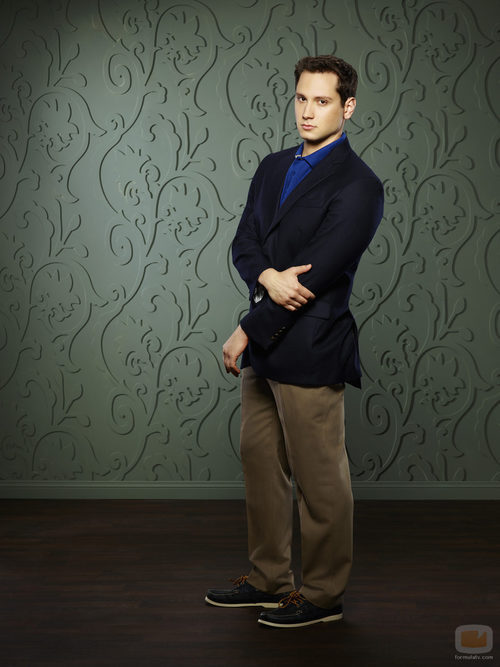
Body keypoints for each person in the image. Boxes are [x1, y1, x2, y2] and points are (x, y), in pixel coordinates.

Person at [205, 54, 384, 628]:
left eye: (322, 101)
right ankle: (268, 580)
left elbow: (315, 276)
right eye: (302, 98)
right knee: (261, 466)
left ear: (347, 107)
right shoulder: (272, 166)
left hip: (312, 346)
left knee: (319, 479)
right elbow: (244, 243)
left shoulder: (360, 185)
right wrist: (265, 276)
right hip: (267, 346)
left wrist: (246, 327)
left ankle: (324, 595)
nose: (308, 111)